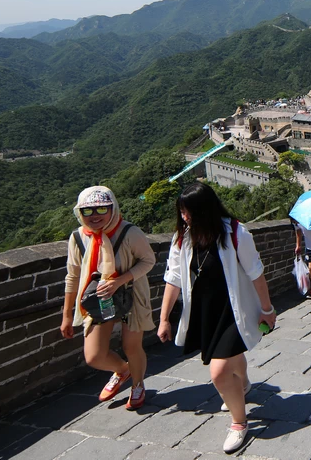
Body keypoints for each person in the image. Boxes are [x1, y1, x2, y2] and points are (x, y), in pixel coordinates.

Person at [158, 183, 276, 454]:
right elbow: (173, 278)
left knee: (219, 371)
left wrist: (267, 310)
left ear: (205, 210)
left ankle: (239, 423)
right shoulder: (182, 239)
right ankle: (243, 385)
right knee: (231, 358)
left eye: (189, 212)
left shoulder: (235, 233)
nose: (185, 217)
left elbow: (256, 273)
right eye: (182, 212)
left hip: (235, 310)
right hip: (204, 311)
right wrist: (164, 318)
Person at [60, 186, 155, 410]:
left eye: (101, 208)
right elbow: (72, 276)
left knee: (132, 346)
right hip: (99, 298)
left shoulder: (129, 232)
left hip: (131, 294)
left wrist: (120, 281)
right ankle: (123, 370)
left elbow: (148, 261)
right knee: (94, 355)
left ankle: (138, 384)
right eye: (87, 211)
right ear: (79, 213)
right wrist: (66, 315)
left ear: (112, 207)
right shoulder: (78, 238)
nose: (94, 216)